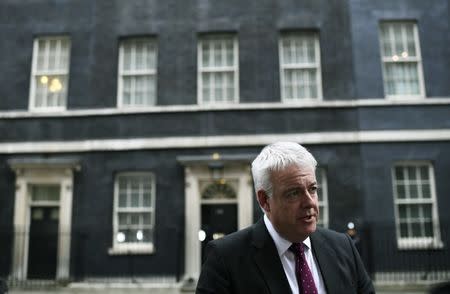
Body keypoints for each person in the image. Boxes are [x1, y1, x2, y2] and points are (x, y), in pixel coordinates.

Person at [196, 142, 375, 294]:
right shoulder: (225, 259)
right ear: (264, 200)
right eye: (294, 193)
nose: (309, 202)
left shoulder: (344, 247)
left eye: (312, 189)